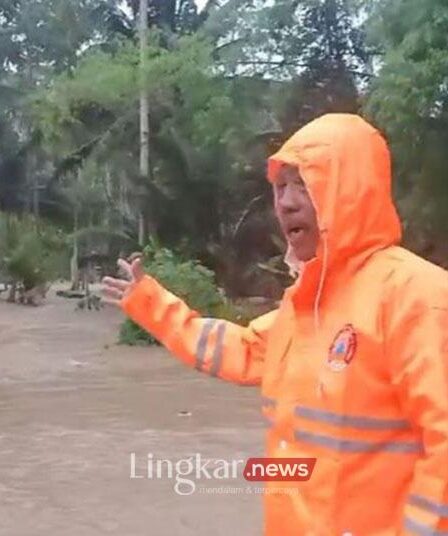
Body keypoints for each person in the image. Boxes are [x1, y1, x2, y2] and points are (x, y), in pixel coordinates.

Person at [102, 114, 448, 535]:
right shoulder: (306, 303)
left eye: (304, 183)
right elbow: (241, 349)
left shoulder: (417, 295)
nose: (285, 202)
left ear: (352, 189)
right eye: (281, 187)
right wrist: (149, 304)